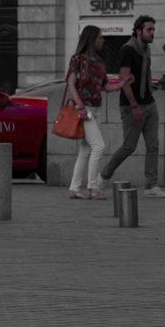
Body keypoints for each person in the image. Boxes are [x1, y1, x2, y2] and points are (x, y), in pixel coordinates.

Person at [97, 15, 165, 197]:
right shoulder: (127, 50)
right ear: (138, 31)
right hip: (132, 106)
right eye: (149, 30)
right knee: (129, 146)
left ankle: (151, 186)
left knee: (153, 146)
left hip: (149, 103)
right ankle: (103, 176)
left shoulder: (147, 49)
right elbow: (124, 80)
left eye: (153, 29)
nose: (152, 33)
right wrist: (135, 106)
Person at [64, 25, 112, 200]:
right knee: (99, 146)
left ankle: (75, 188)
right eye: (100, 37)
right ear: (91, 40)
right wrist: (81, 107)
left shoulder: (99, 62)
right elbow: (70, 84)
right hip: (85, 109)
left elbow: (106, 86)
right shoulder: (77, 60)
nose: (103, 40)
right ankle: (93, 187)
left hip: (96, 107)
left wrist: (123, 84)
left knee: (85, 150)